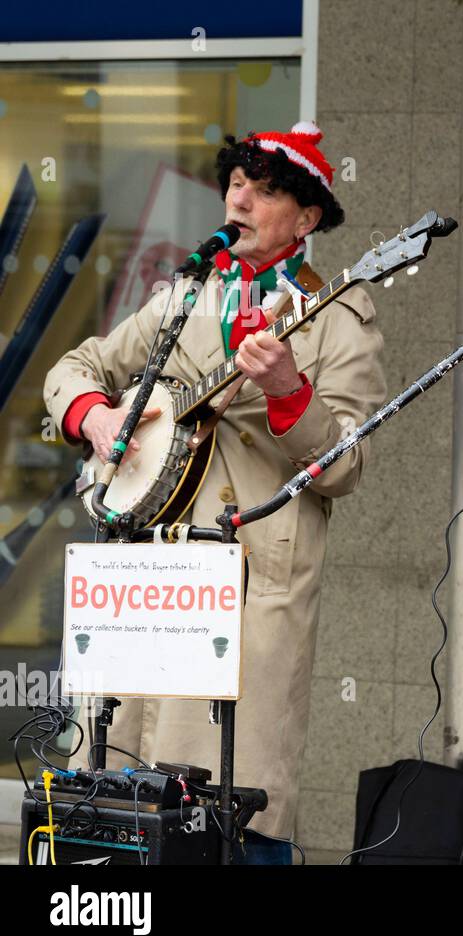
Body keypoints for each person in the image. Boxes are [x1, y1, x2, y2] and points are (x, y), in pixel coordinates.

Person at [45, 122, 386, 863]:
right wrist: (96, 417)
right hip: (146, 584)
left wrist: (289, 389)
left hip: (248, 585)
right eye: (236, 183)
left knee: (230, 819)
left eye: (266, 191)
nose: (241, 198)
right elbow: (78, 365)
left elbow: (347, 465)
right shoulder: (184, 295)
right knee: (114, 801)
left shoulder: (340, 317)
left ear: (308, 219)